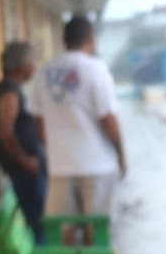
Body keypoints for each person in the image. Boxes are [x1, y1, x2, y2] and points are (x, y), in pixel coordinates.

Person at [30, 15, 126, 219]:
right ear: (90, 39)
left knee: (63, 227)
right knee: (97, 227)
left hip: (60, 165)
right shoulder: (96, 70)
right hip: (97, 164)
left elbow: (37, 120)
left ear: (64, 40)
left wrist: (53, 147)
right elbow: (107, 117)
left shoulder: (44, 72)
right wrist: (120, 153)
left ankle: (69, 252)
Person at [0, 41, 46, 243]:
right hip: (24, 173)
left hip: (29, 170)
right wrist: (25, 161)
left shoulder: (15, 89)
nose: (34, 67)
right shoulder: (9, 93)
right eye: (32, 62)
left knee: (42, 223)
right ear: (21, 66)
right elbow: (5, 132)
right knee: (39, 225)